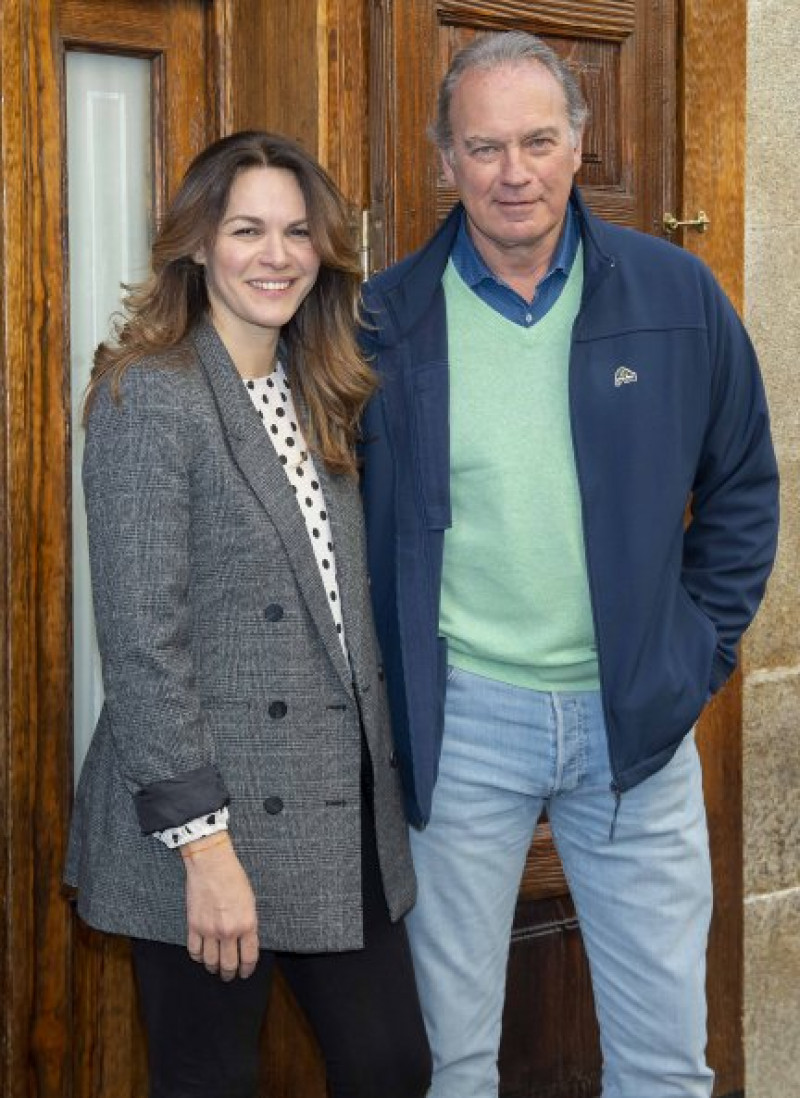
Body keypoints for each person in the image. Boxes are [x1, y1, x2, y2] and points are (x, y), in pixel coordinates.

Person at [359, 31, 778, 1098]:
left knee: (662, 1062)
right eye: (484, 146)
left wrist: (692, 656)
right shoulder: (380, 321)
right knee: (446, 1062)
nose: (514, 173)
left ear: (579, 143)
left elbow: (741, 487)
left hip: (632, 720)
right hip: (461, 728)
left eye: (537, 141)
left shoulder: (676, 293)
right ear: (443, 159)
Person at [65, 130, 431, 1098]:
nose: (276, 255)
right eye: (247, 230)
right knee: (208, 1081)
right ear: (196, 244)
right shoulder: (150, 396)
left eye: (297, 232)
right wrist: (207, 851)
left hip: (332, 808)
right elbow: (144, 646)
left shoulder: (320, 388)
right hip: (206, 818)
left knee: (392, 1065)